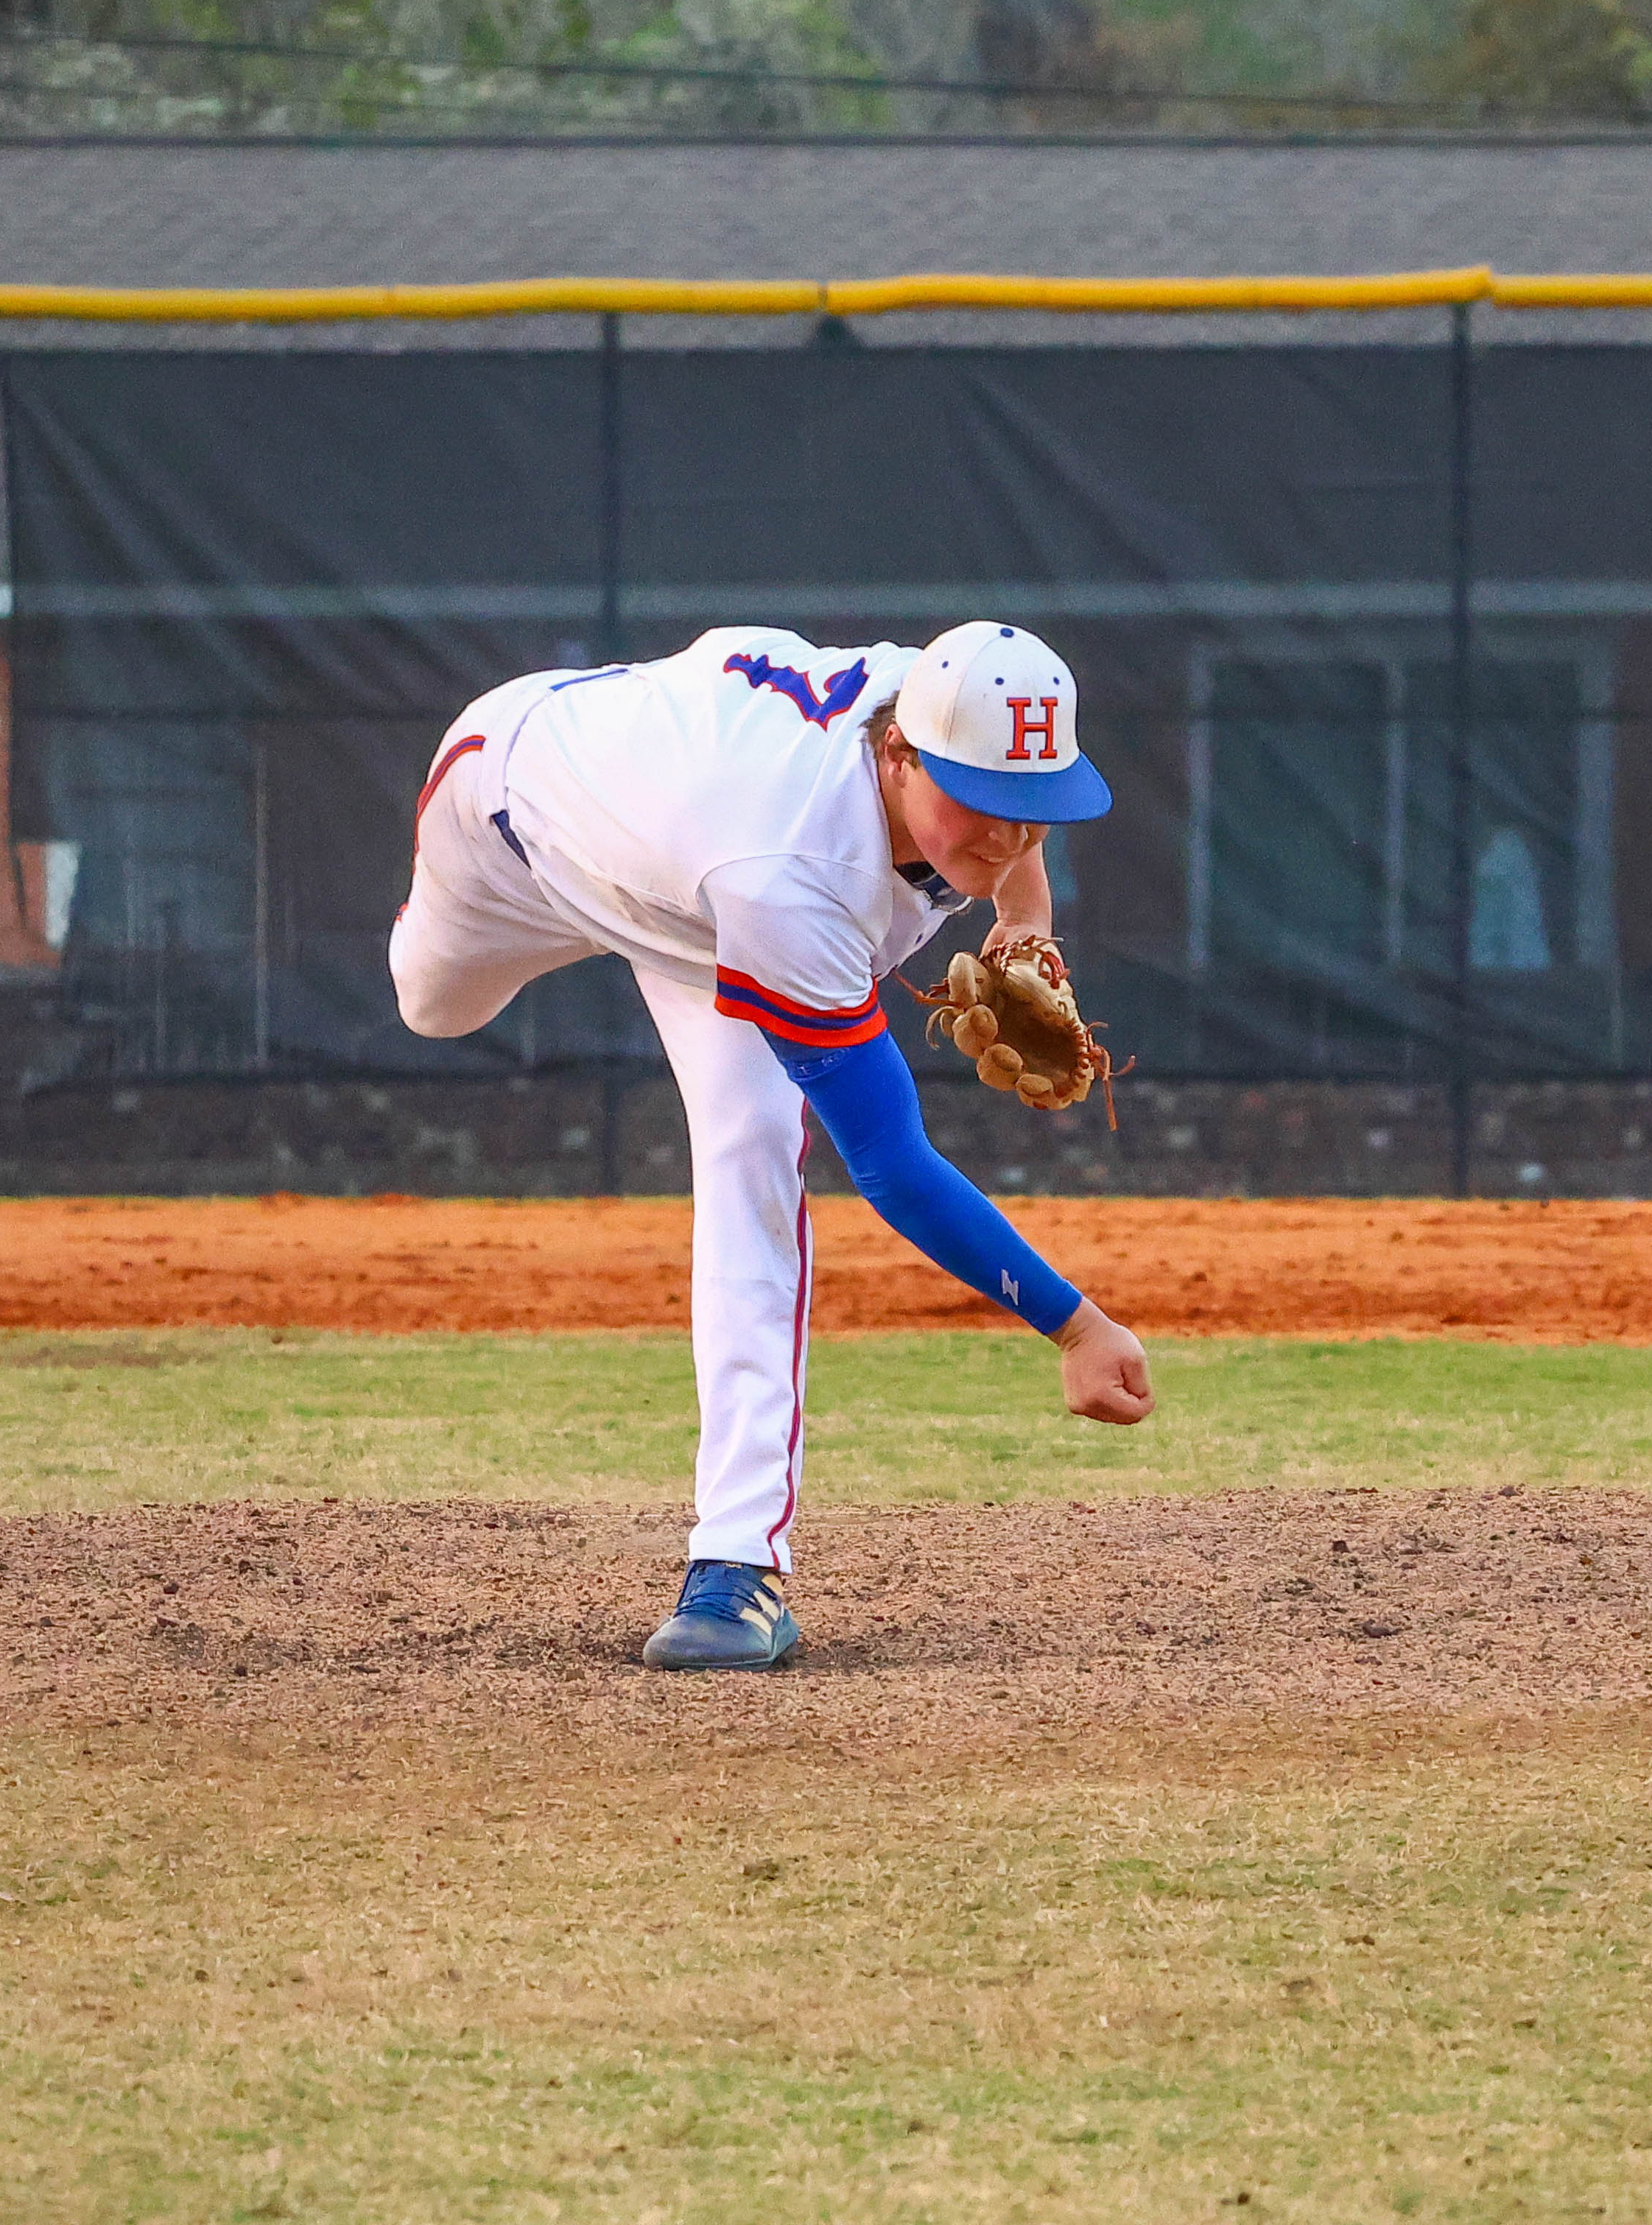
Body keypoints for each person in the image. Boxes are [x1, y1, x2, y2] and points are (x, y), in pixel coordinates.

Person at [387, 621, 1156, 1671]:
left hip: (697, 884)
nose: (1004, 837)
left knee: (753, 1139)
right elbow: (889, 1163)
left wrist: (1022, 919)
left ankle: (733, 1565)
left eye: (1032, 813)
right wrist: (1075, 1326)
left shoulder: (932, 700)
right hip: (510, 821)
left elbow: (1010, 805)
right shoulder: (787, 872)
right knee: (431, 1005)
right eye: (978, 808)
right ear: (897, 756)